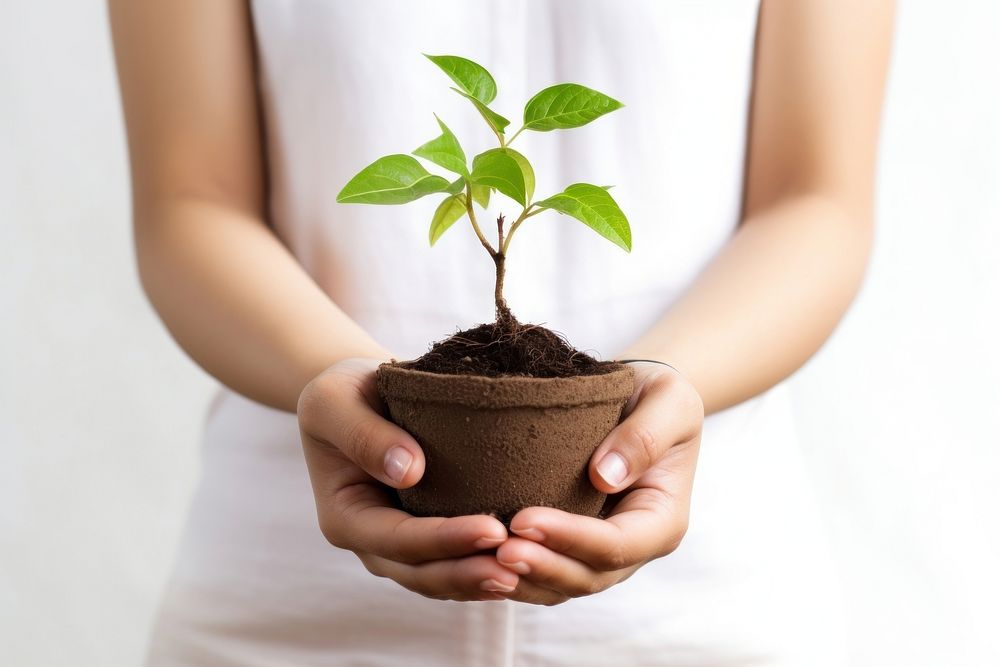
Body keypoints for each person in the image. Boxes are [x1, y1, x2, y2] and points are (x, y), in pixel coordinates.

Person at [109, 0, 894, 664]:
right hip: (287, 606)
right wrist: (347, 387)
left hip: (702, 613)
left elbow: (814, 197)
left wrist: (660, 390)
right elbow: (191, 200)